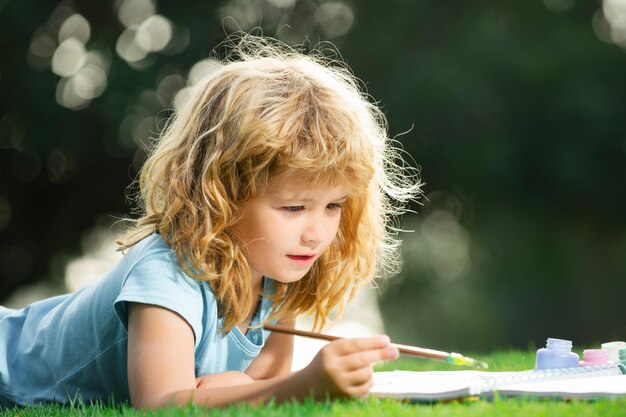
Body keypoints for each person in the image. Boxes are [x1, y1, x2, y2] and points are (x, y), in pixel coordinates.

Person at [0, 35, 421, 409]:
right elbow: (162, 403)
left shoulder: (277, 270)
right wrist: (303, 384)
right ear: (222, 193)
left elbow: (259, 387)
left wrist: (236, 386)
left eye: (334, 206)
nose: (317, 233)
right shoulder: (168, 272)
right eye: (293, 208)